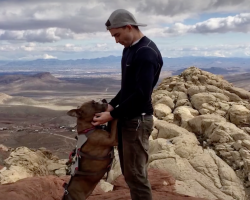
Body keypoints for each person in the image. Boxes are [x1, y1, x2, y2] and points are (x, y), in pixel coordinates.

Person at [92, 9, 163, 200]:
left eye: (117, 35)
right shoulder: (130, 49)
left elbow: (141, 95)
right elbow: (128, 87)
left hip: (137, 120)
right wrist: (112, 105)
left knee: (135, 174)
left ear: (129, 27)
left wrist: (112, 115)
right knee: (129, 172)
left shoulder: (146, 53)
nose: (116, 40)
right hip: (127, 117)